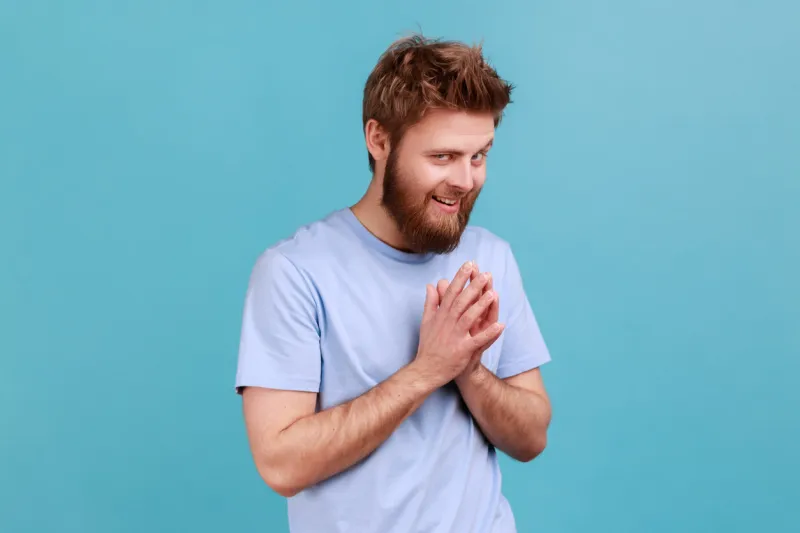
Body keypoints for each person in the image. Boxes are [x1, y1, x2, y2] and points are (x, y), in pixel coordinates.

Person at [234, 34, 552, 533]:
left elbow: (532, 436)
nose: (467, 180)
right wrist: (428, 370)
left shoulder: (491, 258)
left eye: (479, 156)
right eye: (443, 157)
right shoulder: (294, 273)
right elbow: (281, 463)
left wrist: (469, 371)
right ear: (379, 140)